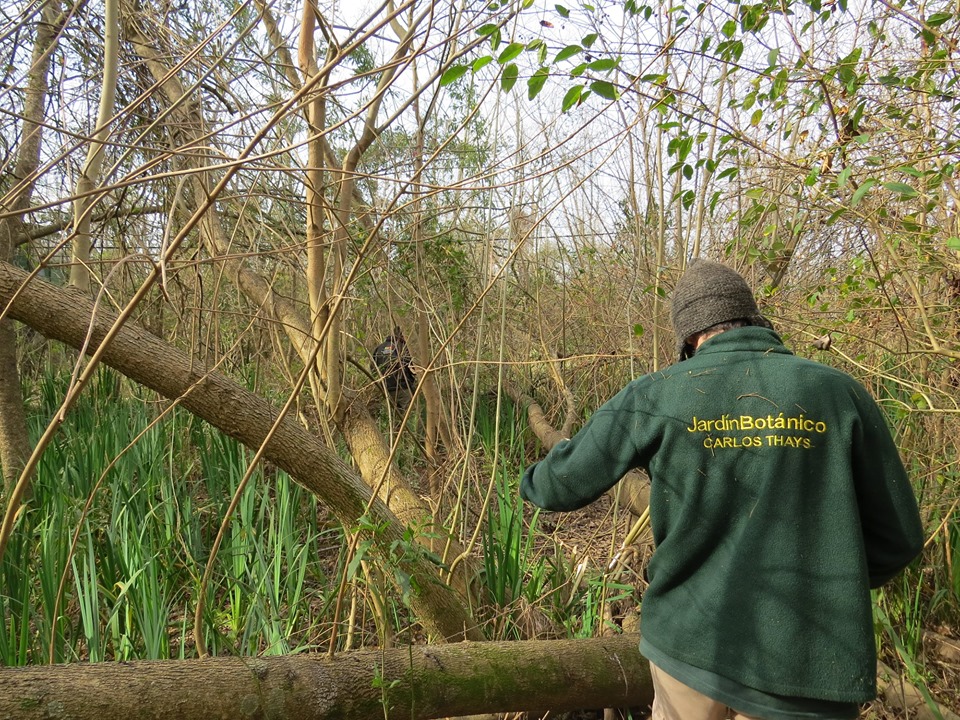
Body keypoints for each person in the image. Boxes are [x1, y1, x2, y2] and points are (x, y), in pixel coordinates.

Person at [520, 260, 924, 720]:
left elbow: (560, 486)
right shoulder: (838, 392)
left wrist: (533, 475)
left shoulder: (657, 394)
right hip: (810, 658)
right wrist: (825, 582)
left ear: (690, 336)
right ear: (753, 318)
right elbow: (901, 539)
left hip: (689, 643)